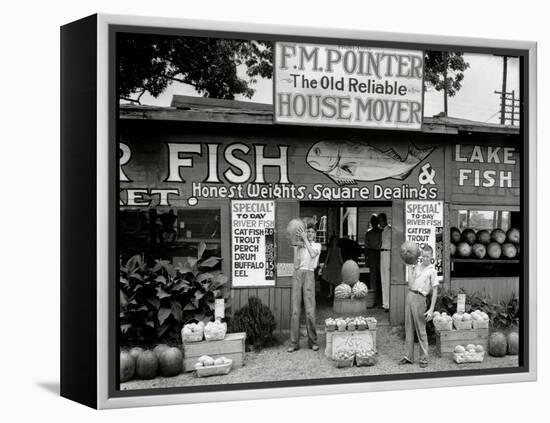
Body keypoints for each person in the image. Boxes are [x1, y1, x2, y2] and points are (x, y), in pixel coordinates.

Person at [399, 245, 439, 368]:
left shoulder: (432, 271)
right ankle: (408, 356)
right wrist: (410, 269)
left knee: (421, 330)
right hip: (410, 296)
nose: (425, 258)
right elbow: (410, 284)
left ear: (431, 257)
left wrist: (431, 309)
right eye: (423, 256)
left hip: (421, 299)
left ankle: (424, 358)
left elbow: (435, 291)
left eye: (428, 256)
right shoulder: (416, 267)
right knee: (408, 328)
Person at [288, 224, 321, 353]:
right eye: (308, 231)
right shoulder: (300, 246)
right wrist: (296, 248)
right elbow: (296, 265)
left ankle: (313, 342)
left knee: (310, 310)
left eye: (312, 232)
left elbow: (313, 255)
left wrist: (304, 240)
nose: (310, 233)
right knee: (295, 311)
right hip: (297, 275)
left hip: (309, 274)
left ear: (315, 234)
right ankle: (294, 343)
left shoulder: (316, 246)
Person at [365, 215, 382, 307]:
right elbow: (366, 247)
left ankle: (377, 299)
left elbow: (366, 246)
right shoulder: (370, 233)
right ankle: (374, 300)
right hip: (374, 254)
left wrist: (366, 257)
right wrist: (366, 257)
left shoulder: (381, 232)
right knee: (375, 277)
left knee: (377, 277)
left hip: (379, 254)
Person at [379, 213, 391, 312]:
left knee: (387, 278)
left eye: (381, 221)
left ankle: (389, 303)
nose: (380, 223)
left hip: (388, 253)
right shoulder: (382, 232)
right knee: (383, 278)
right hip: (382, 253)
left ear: (385, 220)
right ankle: (385, 303)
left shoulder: (390, 230)